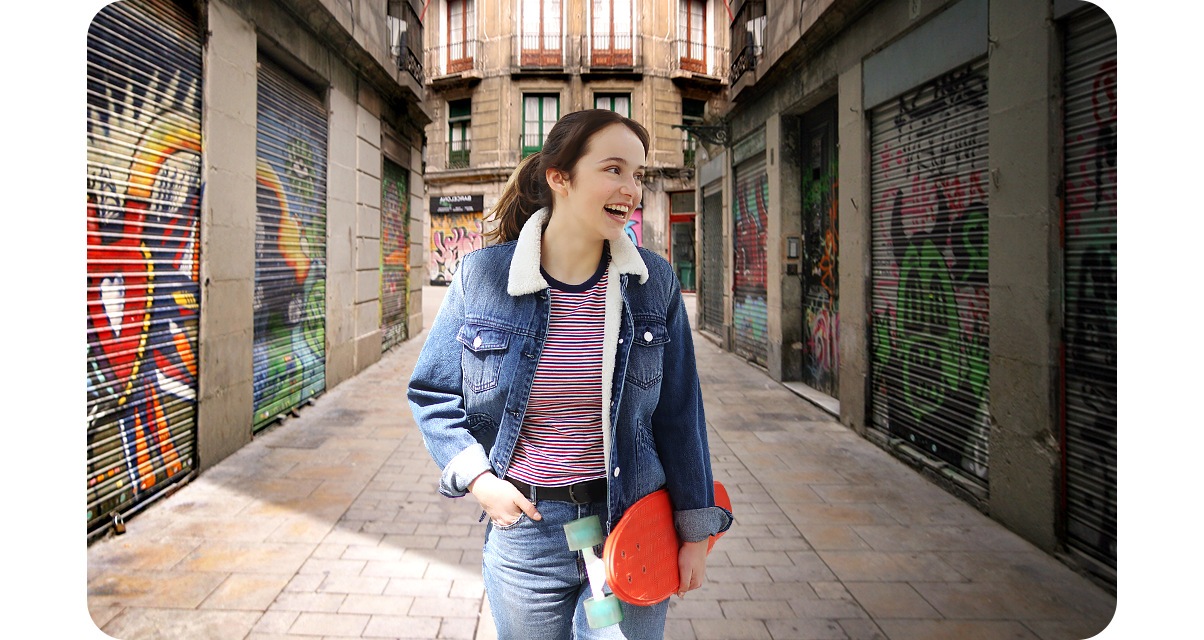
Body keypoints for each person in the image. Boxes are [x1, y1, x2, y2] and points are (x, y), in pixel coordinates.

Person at [408, 109, 733, 640]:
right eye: (614, 170)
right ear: (560, 177)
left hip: (627, 528)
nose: (631, 189)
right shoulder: (482, 276)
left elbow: (679, 415)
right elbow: (431, 392)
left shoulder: (653, 284)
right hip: (526, 534)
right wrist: (480, 481)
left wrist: (695, 530)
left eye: (637, 174)